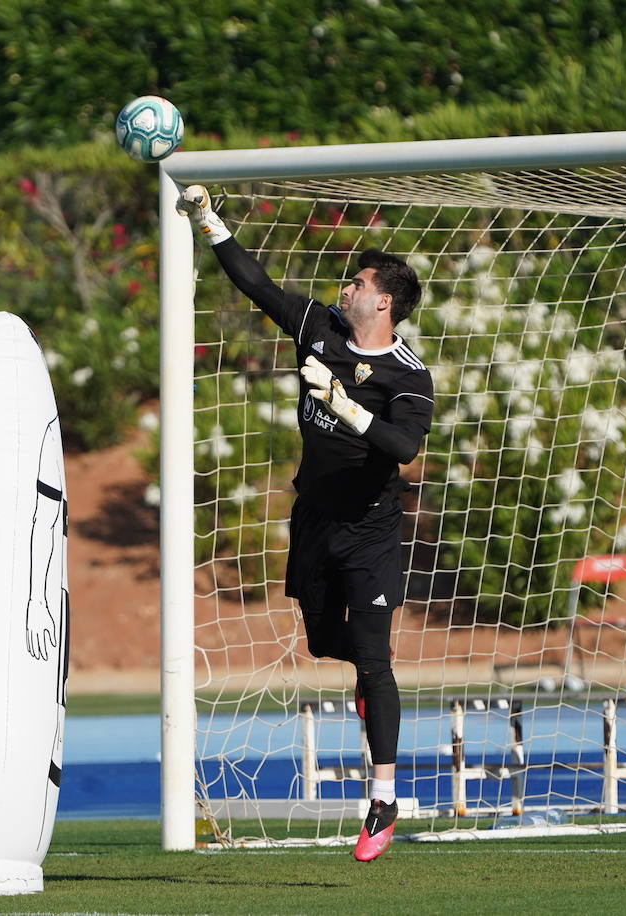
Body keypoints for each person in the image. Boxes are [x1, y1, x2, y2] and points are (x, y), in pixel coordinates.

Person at [177, 185, 433, 862]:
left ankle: (382, 799)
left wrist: (346, 406)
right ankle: (374, 690)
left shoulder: (409, 375)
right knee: (324, 641)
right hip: (315, 519)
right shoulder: (316, 327)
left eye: (359, 281)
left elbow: (405, 450)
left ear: (383, 301)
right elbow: (256, 283)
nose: (345, 287)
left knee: (374, 659)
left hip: (373, 529)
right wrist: (210, 223)